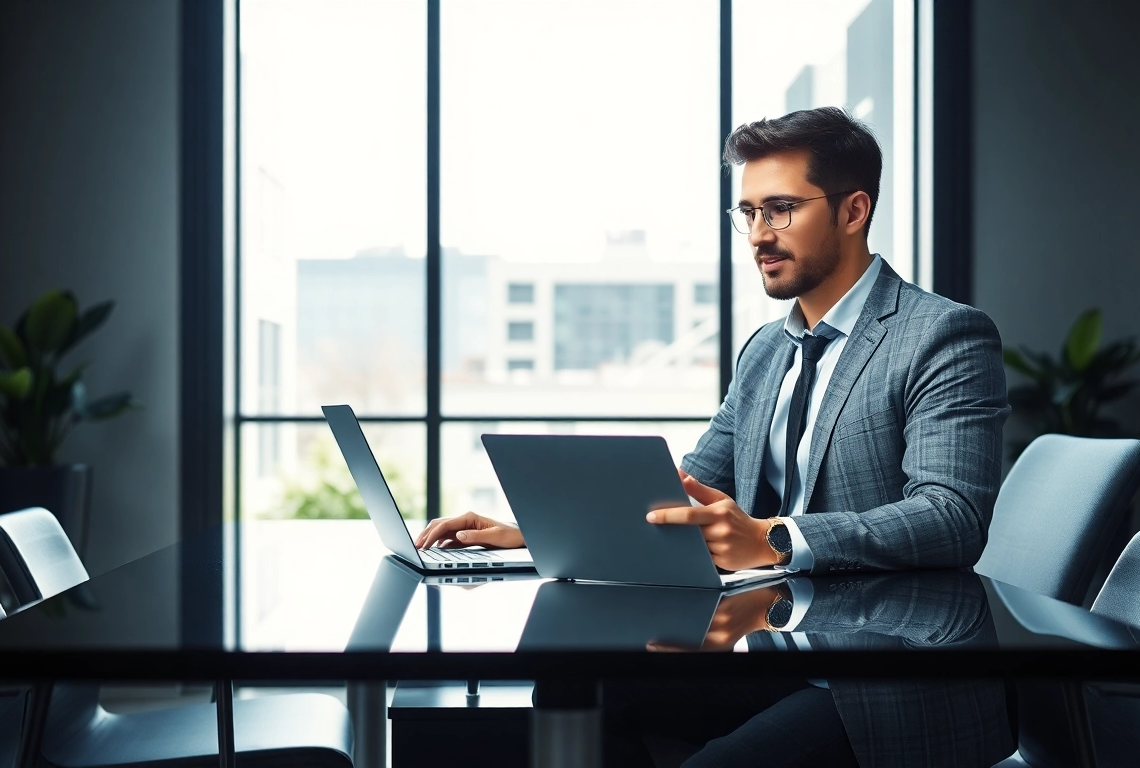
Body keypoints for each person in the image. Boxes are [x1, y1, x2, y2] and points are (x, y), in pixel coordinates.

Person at [415, 106, 1010, 580]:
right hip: (765, 632)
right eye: (748, 213)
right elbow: (692, 487)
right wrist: (542, 529)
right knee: (584, 688)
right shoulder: (766, 352)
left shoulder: (941, 335)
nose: (757, 236)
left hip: (876, 663)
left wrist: (774, 539)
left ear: (854, 211)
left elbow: (950, 518)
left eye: (780, 210)